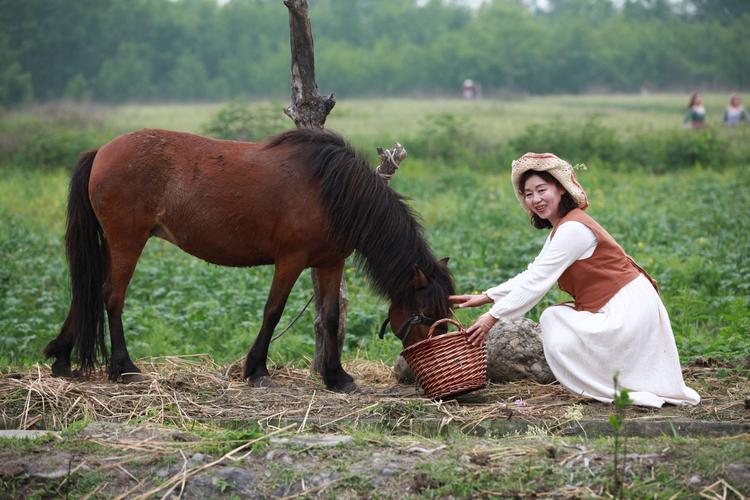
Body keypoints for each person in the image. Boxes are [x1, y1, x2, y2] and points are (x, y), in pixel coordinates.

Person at [449, 152, 700, 408]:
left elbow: (538, 279)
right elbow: (534, 272)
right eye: (528, 194)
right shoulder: (564, 227)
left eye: (541, 190)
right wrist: (488, 296)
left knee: (553, 318)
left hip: (629, 309)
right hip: (620, 304)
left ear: (560, 189)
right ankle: (611, 384)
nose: (536, 199)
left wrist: (493, 316)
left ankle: (612, 387)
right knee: (555, 318)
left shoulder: (573, 229)